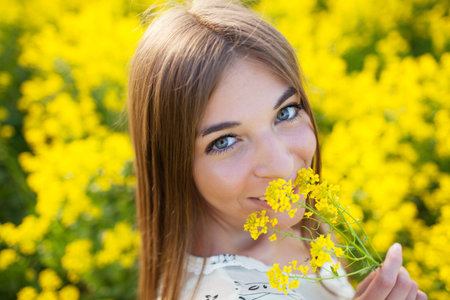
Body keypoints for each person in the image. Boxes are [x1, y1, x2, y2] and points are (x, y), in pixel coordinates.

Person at [127, 1, 428, 299]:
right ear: (171, 162)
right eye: (224, 141)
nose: (282, 166)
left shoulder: (293, 222)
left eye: (285, 113)